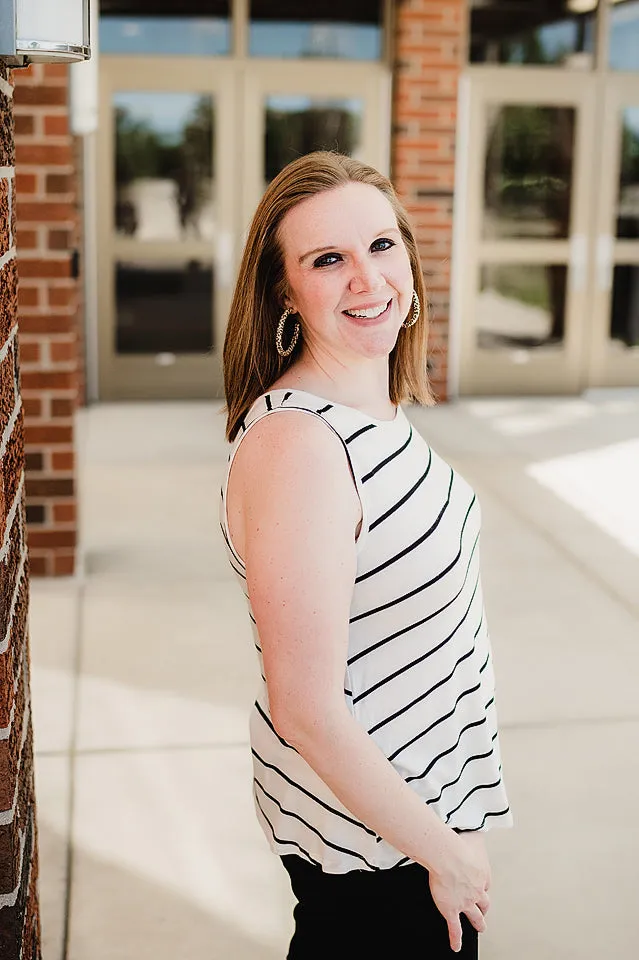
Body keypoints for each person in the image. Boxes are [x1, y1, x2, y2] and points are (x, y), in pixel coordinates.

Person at [220, 151, 512, 959]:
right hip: (378, 853)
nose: (367, 279)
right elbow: (305, 708)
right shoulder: (300, 447)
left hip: (416, 826)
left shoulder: (371, 408)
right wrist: (442, 851)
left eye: (381, 246)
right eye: (327, 260)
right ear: (284, 291)